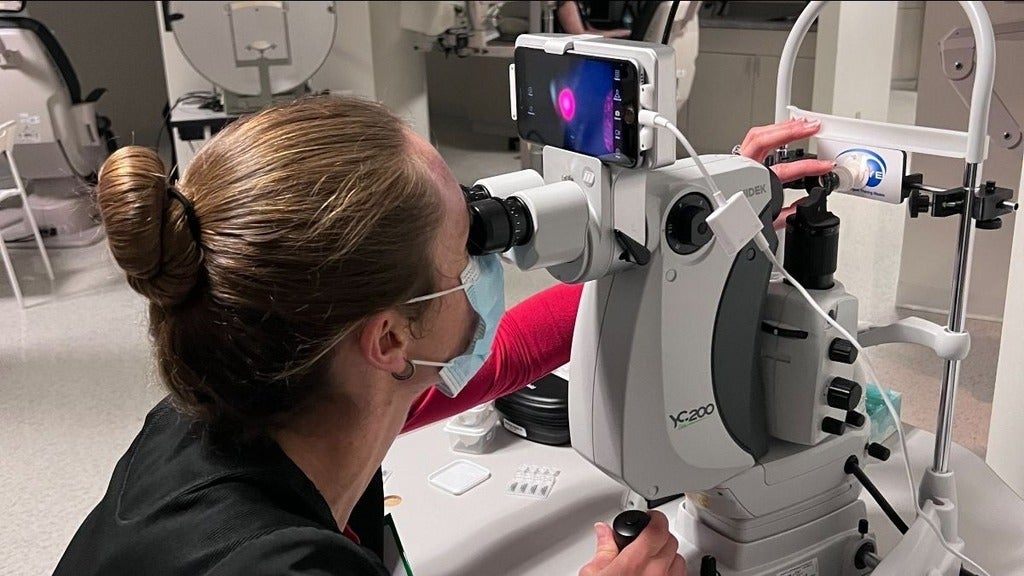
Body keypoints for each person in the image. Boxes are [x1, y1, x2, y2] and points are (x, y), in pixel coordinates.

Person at [53, 95, 831, 576]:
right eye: (468, 252)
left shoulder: (245, 396)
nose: (491, 267)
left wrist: (699, 216)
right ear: (389, 341)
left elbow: (511, 351)